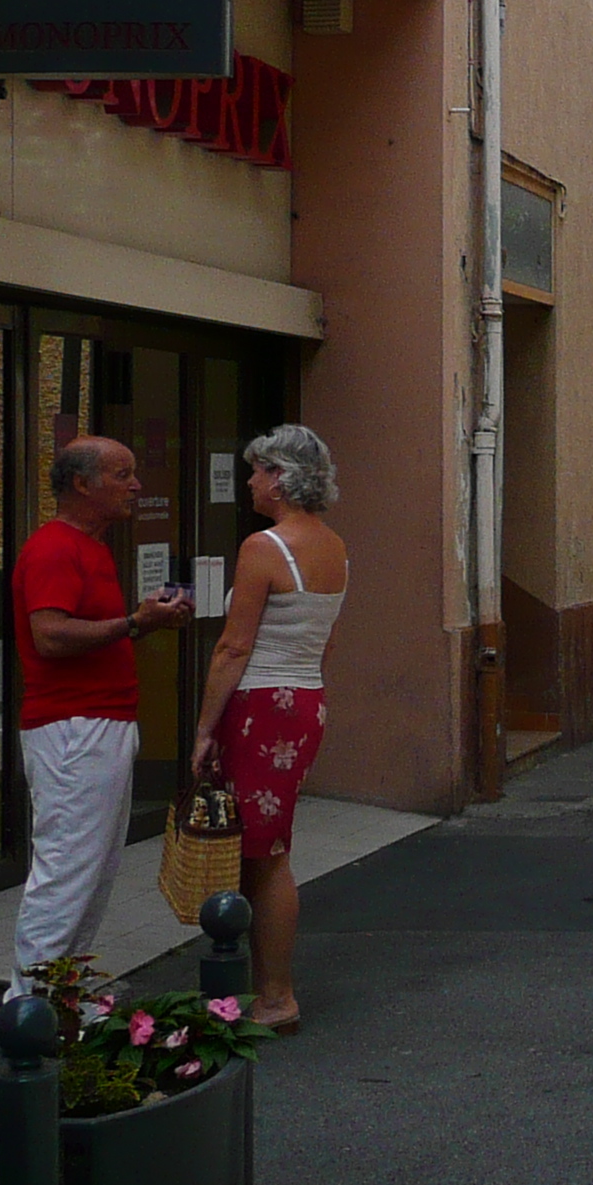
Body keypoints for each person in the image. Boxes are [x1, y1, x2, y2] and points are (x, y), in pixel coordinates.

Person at [8, 436, 194, 993]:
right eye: (122, 475)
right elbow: (50, 635)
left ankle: (64, 994)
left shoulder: (89, 547)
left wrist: (144, 620)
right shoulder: (54, 548)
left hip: (98, 724)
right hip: (73, 728)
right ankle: (31, 1004)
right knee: (68, 869)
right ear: (82, 484)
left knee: (94, 870)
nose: (136, 485)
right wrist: (136, 624)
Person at [189, 426, 348, 1036]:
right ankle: (266, 989)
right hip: (304, 698)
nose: (251, 481)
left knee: (265, 855)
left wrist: (205, 727)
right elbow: (324, 642)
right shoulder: (335, 547)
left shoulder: (264, 547)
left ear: (280, 477)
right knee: (269, 846)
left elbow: (233, 646)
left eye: (257, 470)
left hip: (260, 704)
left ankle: (276, 995)